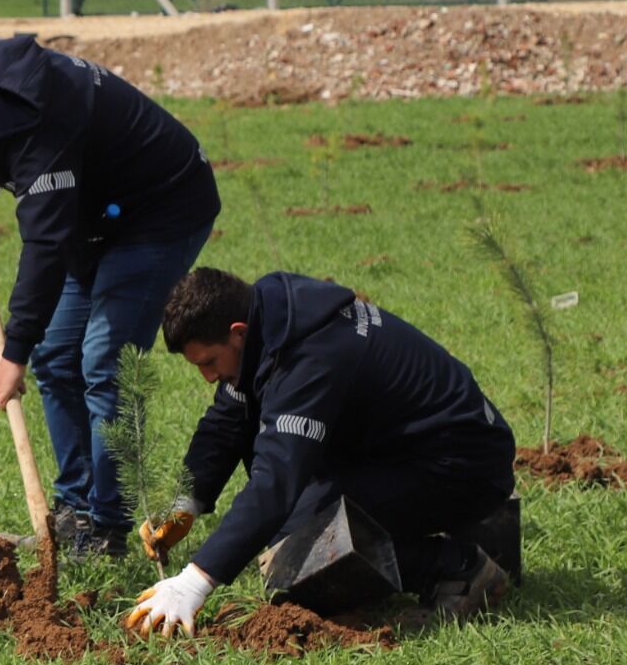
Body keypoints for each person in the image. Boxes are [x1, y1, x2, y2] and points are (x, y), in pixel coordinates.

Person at [0, 36, 218, 557]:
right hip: (94, 215)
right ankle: (75, 511)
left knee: (105, 363)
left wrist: (13, 353)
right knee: (59, 355)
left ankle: (107, 527)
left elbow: (43, 247)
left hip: (161, 208)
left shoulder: (40, 108)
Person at [128, 266, 516, 634]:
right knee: (293, 532)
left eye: (210, 362)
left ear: (237, 332)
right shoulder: (271, 320)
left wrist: (195, 581)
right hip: (415, 451)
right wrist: (187, 500)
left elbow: (276, 481)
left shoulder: (310, 357)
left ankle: (458, 568)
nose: (208, 376)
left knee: (299, 544)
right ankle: (481, 535)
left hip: (463, 465)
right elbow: (227, 420)